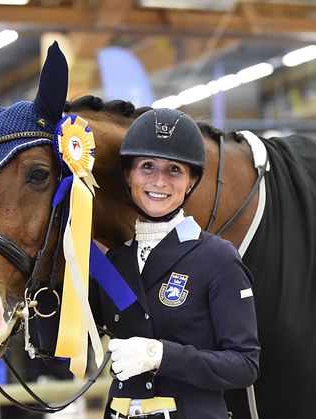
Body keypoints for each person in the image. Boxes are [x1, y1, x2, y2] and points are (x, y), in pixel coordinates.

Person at [90, 108, 260, 419]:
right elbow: (62, 345)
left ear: (192, 180)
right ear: (129, 175)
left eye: (174, 170)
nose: (159, 181)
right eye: (148, 166)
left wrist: (160, 355)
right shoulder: (114, 262)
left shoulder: (216, 257)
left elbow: (244, 365)